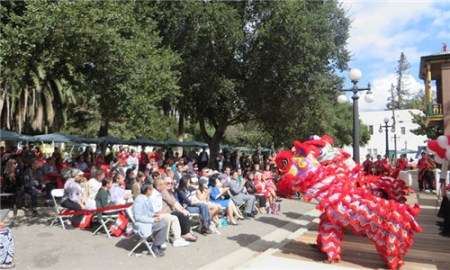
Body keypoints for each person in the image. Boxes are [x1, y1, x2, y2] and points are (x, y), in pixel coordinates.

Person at [150, 177, 193, 247]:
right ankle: (179, 238)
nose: (167, 185)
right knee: (176, 217)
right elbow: (156, 211)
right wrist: (180, 211)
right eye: (165, 184)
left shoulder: (162, 192)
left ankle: (179, 238)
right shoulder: (156, 194)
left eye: (171, 183)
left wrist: (182, 209)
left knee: (178, 215)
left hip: (164, 212)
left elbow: (175, 202)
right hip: (157, 215)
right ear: (158, 186)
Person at [132, 181, 169, 257]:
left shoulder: (146, 198)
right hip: (142, 225)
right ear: (148, 190)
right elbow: (138, 217)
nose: (153, 191)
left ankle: (157, 243)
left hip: (147, 222)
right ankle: (155, 246)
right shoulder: (140, 200)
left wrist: (154, 215)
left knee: (163, 221)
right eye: (152, 189)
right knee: (163, 224)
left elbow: (148, 212)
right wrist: (153, 220)